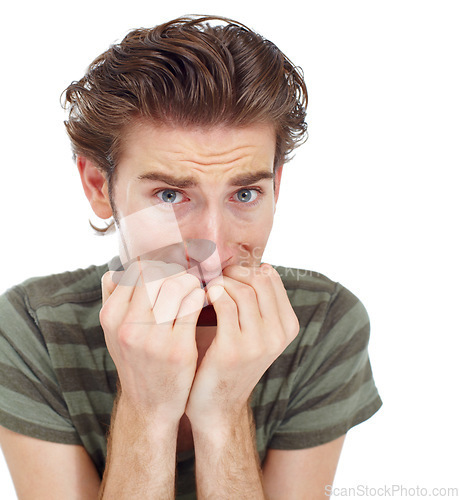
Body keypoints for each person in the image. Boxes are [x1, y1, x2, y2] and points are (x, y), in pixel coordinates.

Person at [0, 15, 382, 499]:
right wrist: (146, 408)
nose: (215, 247)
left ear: (276, 186)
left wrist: (223, 410)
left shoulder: (325, 323)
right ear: (99, 187)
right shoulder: (32, 326)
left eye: (245, 194)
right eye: (169, 196)